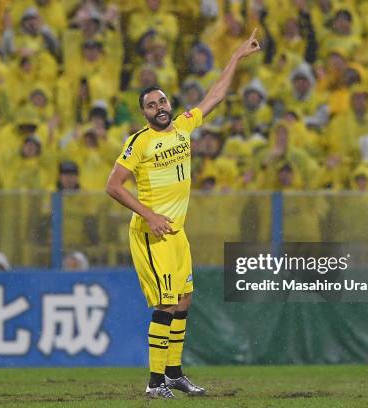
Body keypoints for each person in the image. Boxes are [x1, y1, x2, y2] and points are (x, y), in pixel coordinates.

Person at [105, 29, 260, 399]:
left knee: (185, 301)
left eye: (162, 102)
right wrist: (150, 215)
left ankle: (173, 374)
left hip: (177, 232)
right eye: (151, 105)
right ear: (144, 112)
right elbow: (113, 185)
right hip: (151, 232)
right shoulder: (139, 142)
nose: (159, 108)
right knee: (167, 303)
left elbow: (216, 95)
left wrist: (237, 56)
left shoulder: (183, 127)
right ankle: (154, 382)